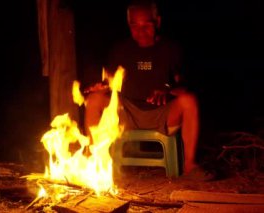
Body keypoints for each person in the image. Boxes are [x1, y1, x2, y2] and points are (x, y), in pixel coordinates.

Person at [84, 0, 212, 180]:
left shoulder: (170, 48)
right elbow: (110, 82)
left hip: (163, 114)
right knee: (95, 100)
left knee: (189, 100)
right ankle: (93, 160)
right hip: (127, 113)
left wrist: (168, 90)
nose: (140, 31)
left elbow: (184, 85)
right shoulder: (121, 50)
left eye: (147, 25)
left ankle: (190, 165)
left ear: (158, 22)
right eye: (134, 25)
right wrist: (100, 87)